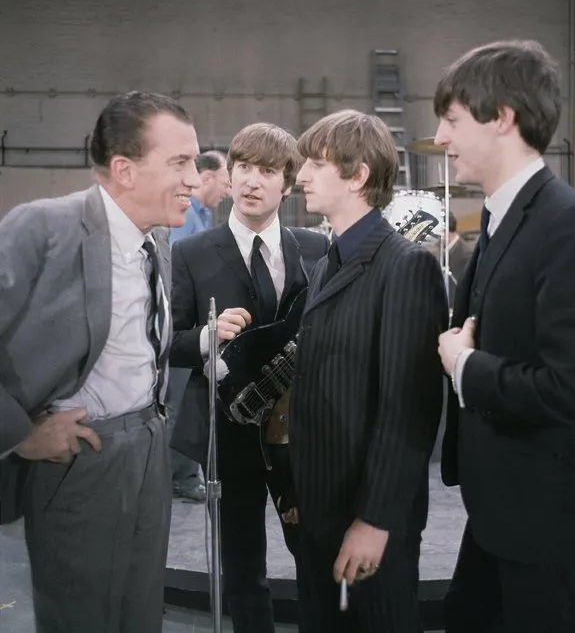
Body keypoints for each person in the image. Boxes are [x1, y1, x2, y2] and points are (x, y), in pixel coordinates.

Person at [435, 40, 575, 633]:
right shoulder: (502, 218)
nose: (440, 138)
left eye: (451, 120)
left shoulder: (571, 225)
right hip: (502, 507)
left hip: (545, 513)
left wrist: (465, 367)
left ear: (502, 118)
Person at [0, 91, 201, 632]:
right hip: (82, 459)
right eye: (180, 163)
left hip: (149, 452)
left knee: (139, 615)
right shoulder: (43, 227)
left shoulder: (154, 241)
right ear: (124, 170)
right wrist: (20, 433)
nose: (196, 180)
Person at [290, 109, 448, 633]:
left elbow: (409, 410)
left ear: (358, 175)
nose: (301, 176)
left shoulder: (406, 266)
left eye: (316, 164)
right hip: (320, 511)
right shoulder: (325, 266)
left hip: (370, 518)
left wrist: (375, 520)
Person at [169, 122, 329, 633]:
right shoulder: (189, 253)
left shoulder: (318, 248)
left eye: (267, 171)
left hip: (301, 430)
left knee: (313, 554)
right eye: (243, 169)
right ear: (230, 174)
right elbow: (163, 341)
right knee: (242, 562)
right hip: (226, 428)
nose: (251, 182)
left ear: (287, 183)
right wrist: (205, 336)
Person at [168, 150, 231, 502]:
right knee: (179, 404)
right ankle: (181, 477)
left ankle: (185, 474)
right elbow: (177, 281)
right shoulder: (186, 218)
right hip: (186, 331)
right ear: (206, 178)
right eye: (224, 183)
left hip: (199, 331)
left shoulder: (201, 216)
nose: (227, 191)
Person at [169, 150, 230, 244]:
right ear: (207, 178)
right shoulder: (185, 213)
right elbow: (172, 256)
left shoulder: (203, 214)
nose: (228, 193)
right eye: (225, 185)